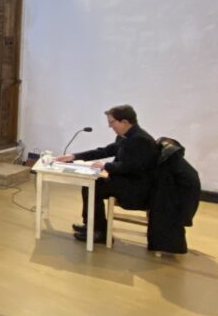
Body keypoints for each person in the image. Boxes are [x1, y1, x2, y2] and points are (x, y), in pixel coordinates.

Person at [56, 104, 159, 244]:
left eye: (112, 122)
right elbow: (105, 151)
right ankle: (91, 225)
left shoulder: (140, 139)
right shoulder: (126, 136)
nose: (110, 126)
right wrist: (74, 156)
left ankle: (101, 233)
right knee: (90, 183)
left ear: (125, 122)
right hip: (128, 180)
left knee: (95, 187)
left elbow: (134, 167)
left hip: (137, 187)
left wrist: (106, 165)